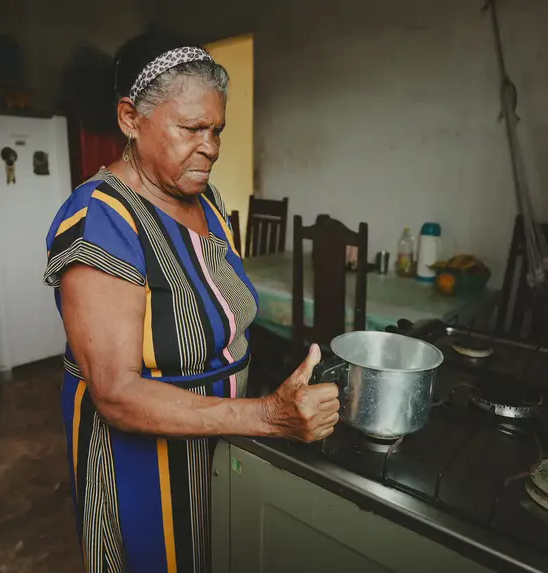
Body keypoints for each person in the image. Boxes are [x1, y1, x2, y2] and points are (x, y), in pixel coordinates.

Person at [44, 32, 340, 573]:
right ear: (131, 118)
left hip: (217, 446)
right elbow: (116, 395)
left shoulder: (206, 198)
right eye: (191, 128)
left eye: (217, 129)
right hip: (140, 468)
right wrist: (267, 418)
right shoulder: (101, 222)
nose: (211, 146)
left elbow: (218, 312)